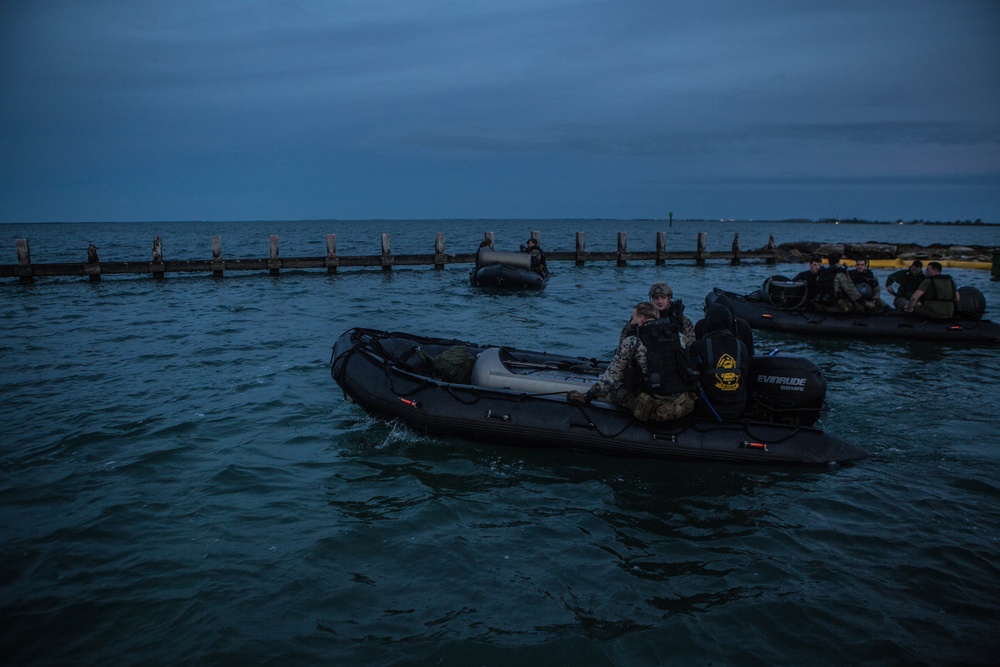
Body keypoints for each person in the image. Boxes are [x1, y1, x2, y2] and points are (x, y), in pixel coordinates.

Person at [568, 302, 697, 421]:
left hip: (652, 401)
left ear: (641, 318)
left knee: (616, 388)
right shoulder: (680, 337)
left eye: (634, 317)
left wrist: (588, 396)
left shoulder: (632, 341)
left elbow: (611, 377)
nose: (632, 321)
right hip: (681, 402)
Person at [689, 304, 748, 420]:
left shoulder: (698, 346)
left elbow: (690, 376)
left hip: (708, 408)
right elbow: (745, 374)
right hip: (736, 408)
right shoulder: (741, 346)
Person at [621, 282, 695, 348]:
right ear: (652, 299)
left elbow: (691, 340)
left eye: (663, 298)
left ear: (669, 298)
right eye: (656, 298)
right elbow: (625, 337)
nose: (659, 301)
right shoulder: (641, 315)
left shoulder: (678, 317)